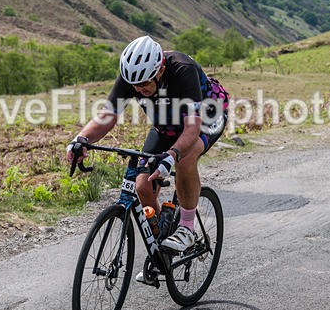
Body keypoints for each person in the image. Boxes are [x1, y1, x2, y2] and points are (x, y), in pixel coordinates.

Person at [66, 35, 229, 258]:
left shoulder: (183, 69)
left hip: (207, 115)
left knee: (185, 159)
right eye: (134, 85)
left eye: (144, 84)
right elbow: (108, 116)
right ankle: (163, 245)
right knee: (143, 186)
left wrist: (172, 155)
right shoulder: (132, 78)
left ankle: (187, 229)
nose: (139, 89)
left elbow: (192, 128)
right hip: (166, 122)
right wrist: (81, 139)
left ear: (160, 70)